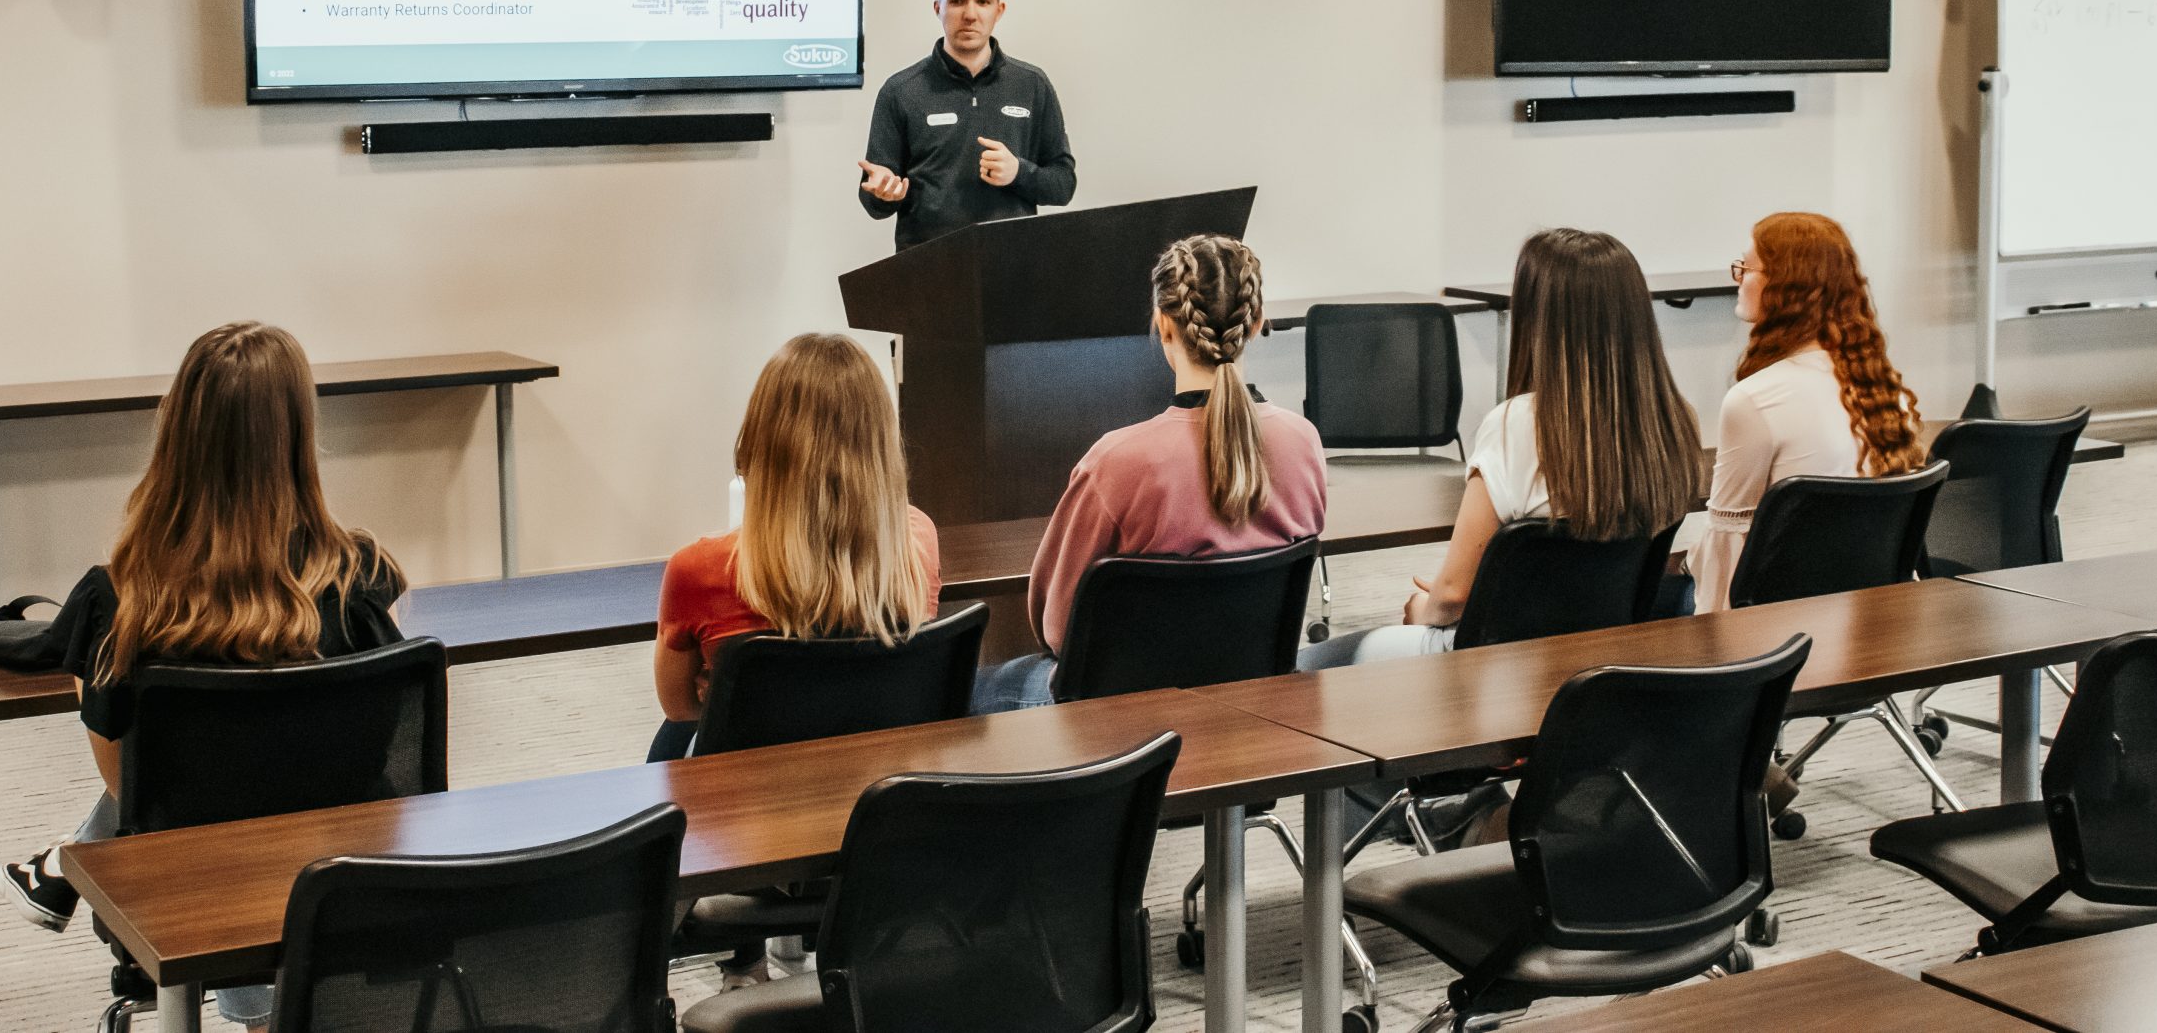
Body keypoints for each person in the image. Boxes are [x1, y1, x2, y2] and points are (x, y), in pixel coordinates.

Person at [0, 322, 406, 1031]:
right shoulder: (362, 576)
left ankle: (69, 862)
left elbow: (131, 790)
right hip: (354, 873)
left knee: (205, 807)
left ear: (177, 433)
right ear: (299, 434)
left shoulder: (119, 599)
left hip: (194, 889)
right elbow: (379, 744)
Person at [1300, 228, 1703, 668]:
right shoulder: (1674, 418)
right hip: (1601, 657)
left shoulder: (1518, 424)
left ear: (1537, 317)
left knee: (1306, 670)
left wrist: (1422, 611)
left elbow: (1453, 596)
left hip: (1493, 667)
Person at [972, 233, 1328, 712]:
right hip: (1250, 703)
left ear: (1163, 325)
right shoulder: (1302, 442)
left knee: (971, 688)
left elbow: (1055, 627)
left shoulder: (1117, 462)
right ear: (1257, 322)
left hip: (1114, 720)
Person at [648, 333, 943, 762]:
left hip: (750, 799)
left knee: (672, 744)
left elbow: (679, 708)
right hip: (877, 775)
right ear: (880, 446)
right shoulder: (917, 543)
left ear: (760, 443)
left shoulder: (697, 569)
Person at [1688, 211, 1924, 613]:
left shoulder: (1754, 400)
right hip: (1876, 622)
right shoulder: (1884, 390)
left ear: (1785, 287)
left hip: (1780, 637)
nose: (1739, 279)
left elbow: (1728, 548)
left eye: (1746, 268)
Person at [857, 0, 1076, 250]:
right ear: (938, 8)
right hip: (927, 271)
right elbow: (873, 198)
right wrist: (882, 194)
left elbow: (1063, 185)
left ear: (999, 10)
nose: (970, 14)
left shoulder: (1032, 85)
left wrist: (1018, 172)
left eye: (982, 1)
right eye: (957, 1)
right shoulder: (901, 90)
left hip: (1012, 266)